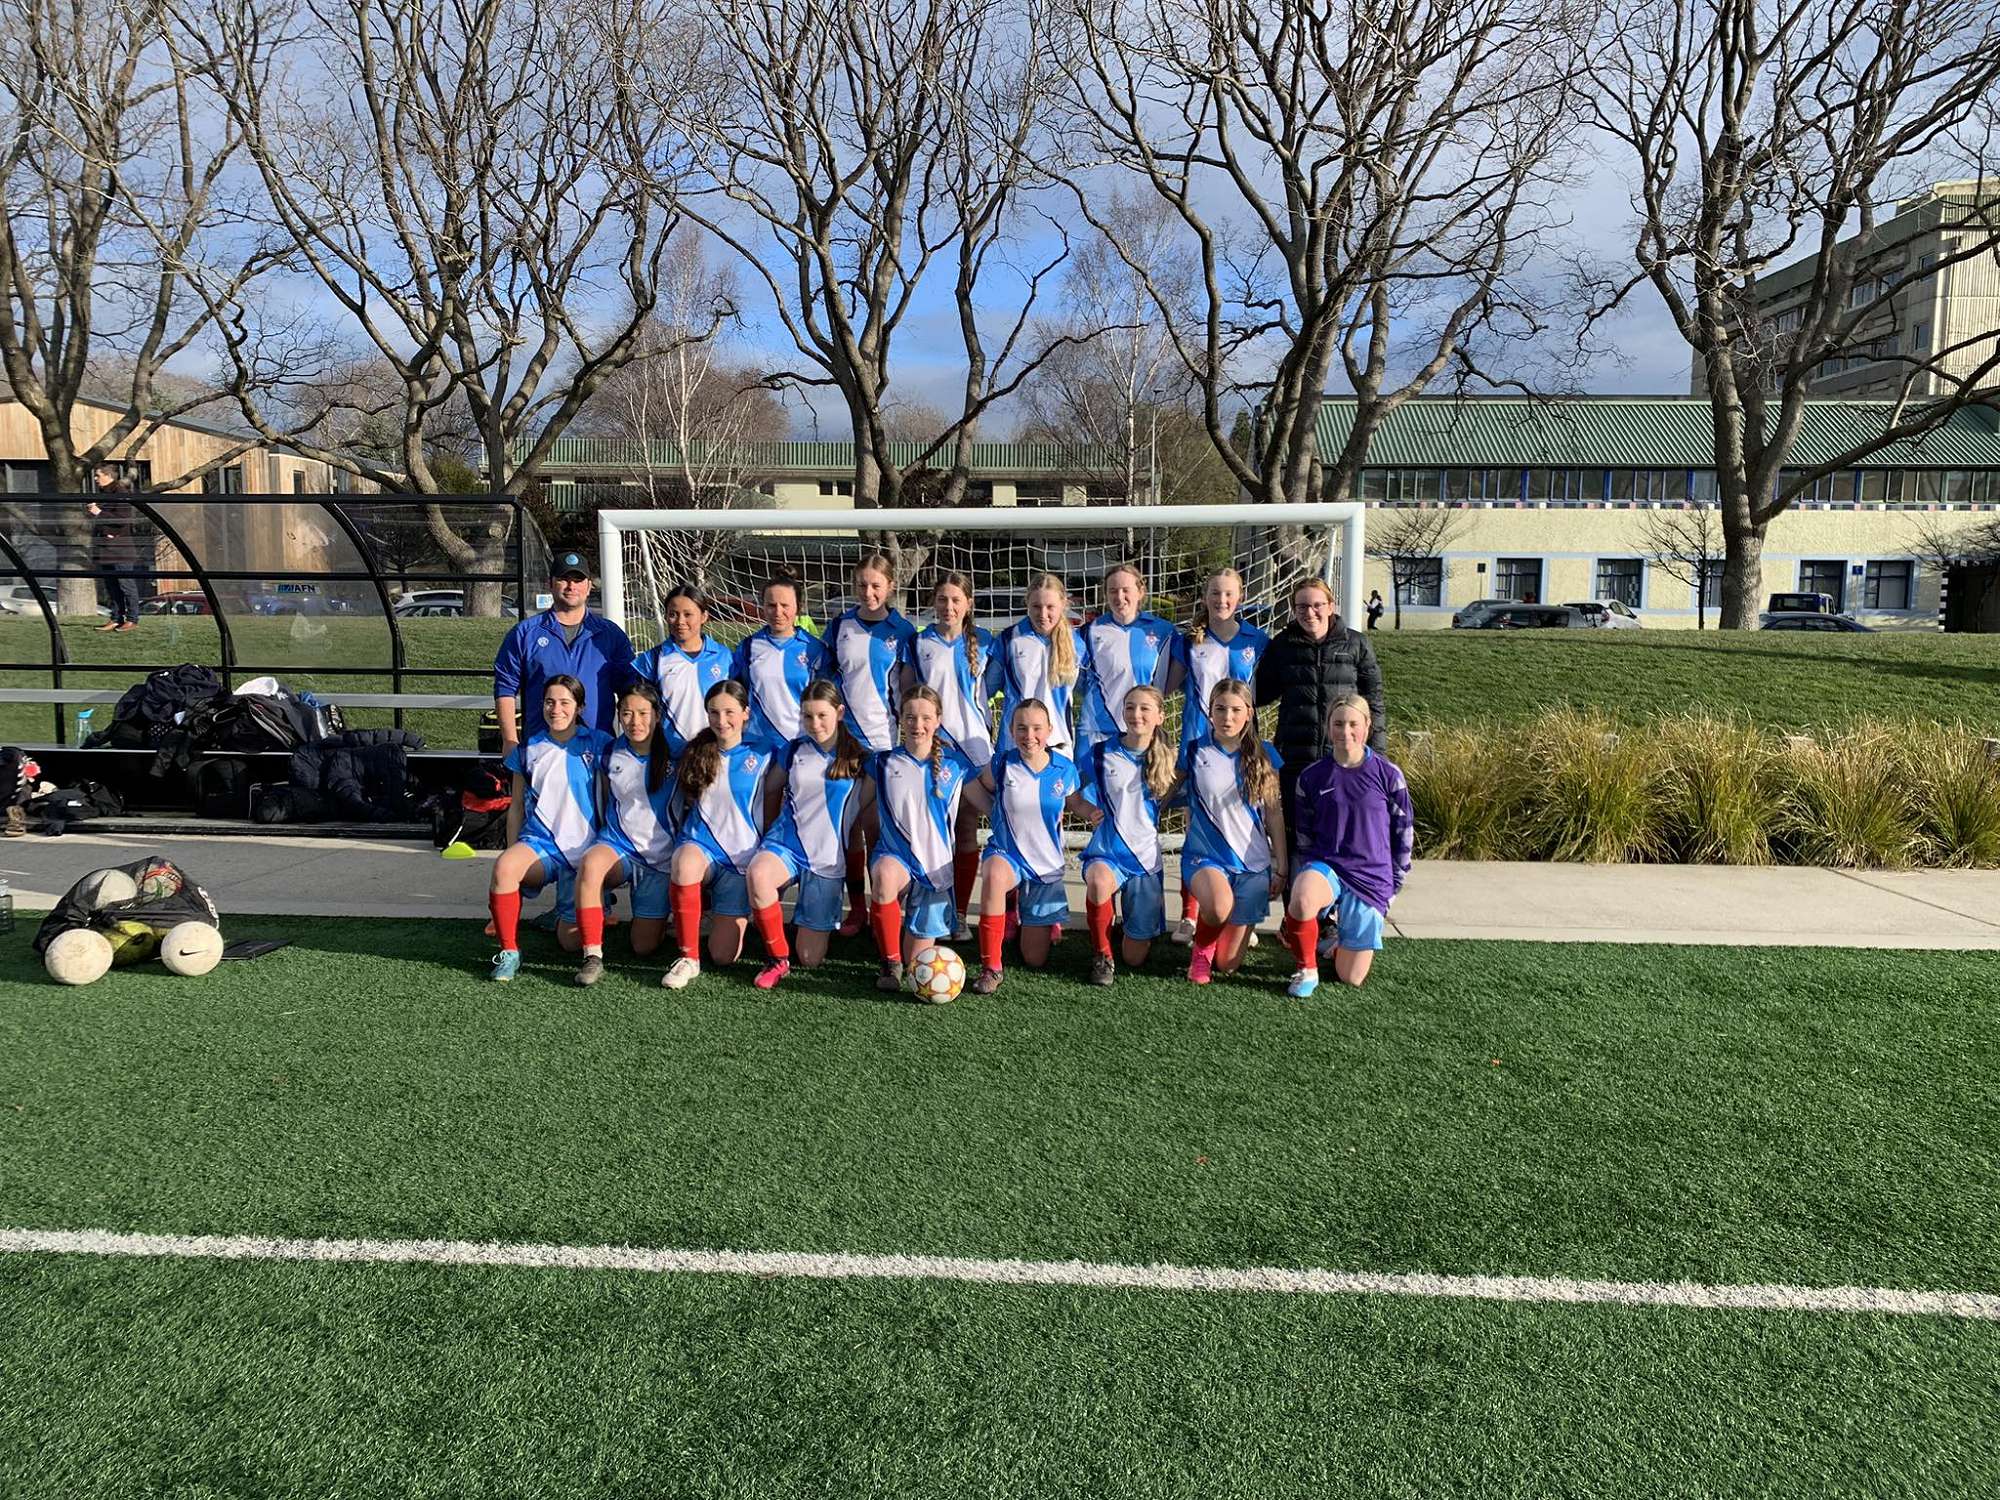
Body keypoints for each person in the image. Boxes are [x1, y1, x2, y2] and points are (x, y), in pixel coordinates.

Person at [1282, 695, 1414, 997]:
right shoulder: (1311, 777)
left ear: (1367, 726)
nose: (1346, 731)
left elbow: (1403, 833)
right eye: (1338, 723)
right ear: (1328, 728)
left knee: (1350, 977)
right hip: (1328, 866)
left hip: (1370, 876)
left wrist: (1393, 886)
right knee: (1302, 899)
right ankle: (1307, 969)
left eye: (1353, 723)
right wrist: (1306, 875)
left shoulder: (1388, 775)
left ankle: (1341, 938)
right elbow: (1304, 837)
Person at [744, 681, 873, 990]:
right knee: (758, 873)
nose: (815, 724)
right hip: (786, 844)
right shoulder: (793, 750)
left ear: (839, 713)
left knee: (810, 957)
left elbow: (864, 811)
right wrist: (766, 836)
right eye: (807, 716)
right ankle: (777, 959)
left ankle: (802, 924)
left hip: (827, 859)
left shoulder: (863, 759)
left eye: (822, 715)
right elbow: (771, 789)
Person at [660, 680, 784, 990]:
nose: (721, 720)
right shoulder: (695, 750)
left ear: (746, 713)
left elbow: (773, 806)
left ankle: (710, 915)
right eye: (714, 712)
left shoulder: (766, 752)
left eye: (730, 712)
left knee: (723, 955)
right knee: (684, 863)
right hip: (701, 846)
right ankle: (688, 958)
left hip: (741, 860)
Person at [487, 676, 613, 981]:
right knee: (505, 868)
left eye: (565, 702)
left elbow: (613, 799)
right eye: (549, 702)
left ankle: (567, 911)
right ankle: (509, 952)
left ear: (580, 707)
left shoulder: (599, 743)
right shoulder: (529, 748)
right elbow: (516, 806)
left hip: (583, 851)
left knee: (570, 943)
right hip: (541, 844)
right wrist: (513, 849)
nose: (556, 709)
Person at [1172, 567, 1272, 945]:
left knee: (1244, 822)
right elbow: (1165, 685)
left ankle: (1240, 912)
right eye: (1215, 593)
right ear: (1205, 597)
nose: (1221, 600)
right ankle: (1189, 914)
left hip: (1242, 748)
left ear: (1240, 597)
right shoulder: (1190, 641)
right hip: (1197, 745)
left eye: (1229, 594)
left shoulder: (1258, 640)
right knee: (1196, 827)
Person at [1254, 575, 1385, 858]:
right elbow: (1259, 695)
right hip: (1295, 759)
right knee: (1297, 838)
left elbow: (1374, 703)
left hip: (1343, 758)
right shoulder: (1282, 646)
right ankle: (1297, 887)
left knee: (1343, 835)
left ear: (1330, 606)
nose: (1309, 613)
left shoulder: (1356, 644)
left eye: (1316, 605)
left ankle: (1342, 886)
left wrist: (1377, 755)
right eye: (1301, 607)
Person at [866, 685, 983, 996]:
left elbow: (987, 805)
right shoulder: (882, 763)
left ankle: (903, 956)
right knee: (884, 876)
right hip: (895, 856)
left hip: (935, 869)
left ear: (938, 720)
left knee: (918, 964)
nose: (918, 725)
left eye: (926, 718)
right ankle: (889, 963)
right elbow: (853, 806)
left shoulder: (956, 765)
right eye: (910, 717)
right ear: (900, 719)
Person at [826, 552, 919, 934]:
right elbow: (827, 681)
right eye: (862, 584)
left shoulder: (903, 631)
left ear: (890, 586)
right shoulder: (839, 626)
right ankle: (856, 908)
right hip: (845, 743)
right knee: (847, 826)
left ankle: (887, 904)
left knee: (876, 827)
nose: (868, 592)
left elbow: (908, 690)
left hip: (883, 743)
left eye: (876, 585)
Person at [901, 570, 999, 925]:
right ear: (933, 601)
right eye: (942, 599)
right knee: (936, 830)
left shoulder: (986, 642)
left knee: (971, 827)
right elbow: (909, 693)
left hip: (975, 750)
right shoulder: (919, 642)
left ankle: (961, 913)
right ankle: (930, 908)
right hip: (936, 750)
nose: (949, 606)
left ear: (968, 604)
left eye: (956, 600)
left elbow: (995, 687)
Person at [968, 699, 1084, 995]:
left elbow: (1075, 803)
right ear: (1011, 730)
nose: (1028, 735)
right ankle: (991, 967)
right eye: (1021, 728)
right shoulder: (1002, 763)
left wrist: (1096, 813)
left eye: (1036, 728)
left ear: (1049, 730)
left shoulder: (1064, 769)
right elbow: (973, 785)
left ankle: (1020, 913)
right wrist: (993, 813)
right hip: (1007, 854)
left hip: (1045, 865)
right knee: (994, 876)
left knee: (1034, 958)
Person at [569, 682, 676, 987]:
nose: (634, 721)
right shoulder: (608, 751)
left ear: (657, 715)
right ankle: (592, 955)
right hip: (619, 846)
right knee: (591, 864)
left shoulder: (677, 753)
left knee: (643, 947)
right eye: (627, 713)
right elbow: (603, 798)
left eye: (643, 713)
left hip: (660, 861)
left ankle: (665, 915)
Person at [1180, 679, 1286, 986]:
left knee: (1227, 964)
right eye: (1220, 709)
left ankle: (1219, 934)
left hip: (1253, 864)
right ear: (1210, 712)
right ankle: (1201, 952)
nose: (1227, 717)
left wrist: (1281, 866)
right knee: (1217, 906)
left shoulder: (1265, 754)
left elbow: (1274, 813)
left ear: (1249, 713)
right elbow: (1162, 792)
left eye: (1236, 710)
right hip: (1205, 857)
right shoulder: (1193, 751)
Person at [1076, 685, 1179, 987]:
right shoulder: (1101, 753)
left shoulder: (1171, 759)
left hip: (1145, 861)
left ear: (1160, 716)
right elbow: (1069, 789)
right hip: (1107, 852)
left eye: (1145, 708)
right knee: (1098, 882)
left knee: (1134, 957)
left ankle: (1126, 927)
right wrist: (1087, 810)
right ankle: (1102, 954)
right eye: (1130, 707)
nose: (1136, 714)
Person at [493, 552, 635, 747]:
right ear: (550, 584)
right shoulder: (524, 633)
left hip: (597, 749)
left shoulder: (610, 635)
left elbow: (631, 691)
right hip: (541, 749)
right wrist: (509, 741)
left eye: (578, 580)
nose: (571, 586)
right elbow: (505, 689)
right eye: (563, 579)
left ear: (589, 586)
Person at [1077, 562, 1180, 750]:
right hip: (1096, 733)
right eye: (1113, 591)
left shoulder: (1164, 631)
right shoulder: (1089, 631)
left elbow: (1181, 669)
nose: (1119, 597)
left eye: (1126, 590)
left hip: (1143, 732)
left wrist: (1155, 699)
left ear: (1140, 592)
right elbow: (1077, 680)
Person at [632, 584, 733, 757]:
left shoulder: (725, 657)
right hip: (668, 756)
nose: (680, 621)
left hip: (715, 754)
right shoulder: (652, 660)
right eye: (673, 614)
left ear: (704, 616)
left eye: (688, 614)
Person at [995, 572, 1088, 755]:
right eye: (1036, 606)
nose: (1043, 614)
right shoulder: (1009, 639)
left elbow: (1089, 692)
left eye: (1050, 607)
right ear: (1027, 603)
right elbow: (985, 689)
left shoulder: (1076, 643)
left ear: (1063, 604)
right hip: (1015, 744)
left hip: (1058, 744)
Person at [734, 574, 828, 748]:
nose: (778, 612)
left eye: (785, 605)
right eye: (771, 605)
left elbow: (826, 701)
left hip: (802, 744)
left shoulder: (815, 649)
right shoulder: (748, 647)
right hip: (758, 745)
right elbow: (736, 695)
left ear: (798, 607)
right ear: (762, 607)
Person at [88, 465, 141, 632]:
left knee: (126, 585)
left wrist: (98, 512)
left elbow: (123, 519)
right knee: (112, 586)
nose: (95, 479)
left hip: (120, 549)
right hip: (106, 548)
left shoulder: (120, 492)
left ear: (108, 476)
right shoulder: (105, 494)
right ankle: (116, 618)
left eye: (98, 475)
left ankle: (132, 619)